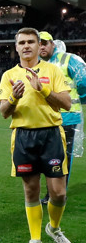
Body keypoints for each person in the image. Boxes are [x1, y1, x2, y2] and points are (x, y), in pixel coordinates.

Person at [0, 27, 73, 243]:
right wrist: (13, 98)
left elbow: (67, 104)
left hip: (51, 135)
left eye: (31, 41)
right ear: (17, 47)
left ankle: (55, 229)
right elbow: (3, 112)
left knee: (58, 193)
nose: (27, 46)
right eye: (22, 42)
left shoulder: (52, 71)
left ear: (40, 45)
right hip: (23, 137)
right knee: (31, 190)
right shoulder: (9, 75)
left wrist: (44, 89)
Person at [38, 31, 86, 201]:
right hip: (46, 118)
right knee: (50, 157)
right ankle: (53, 192)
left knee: (61, 157)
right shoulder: (40, 64)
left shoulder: (67, 59)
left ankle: (56, 193)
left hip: (67, 117)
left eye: (45, 43)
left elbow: (83, 82)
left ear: (53, 44)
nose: (41, 46)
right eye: (39, 43)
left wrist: (81, 98)